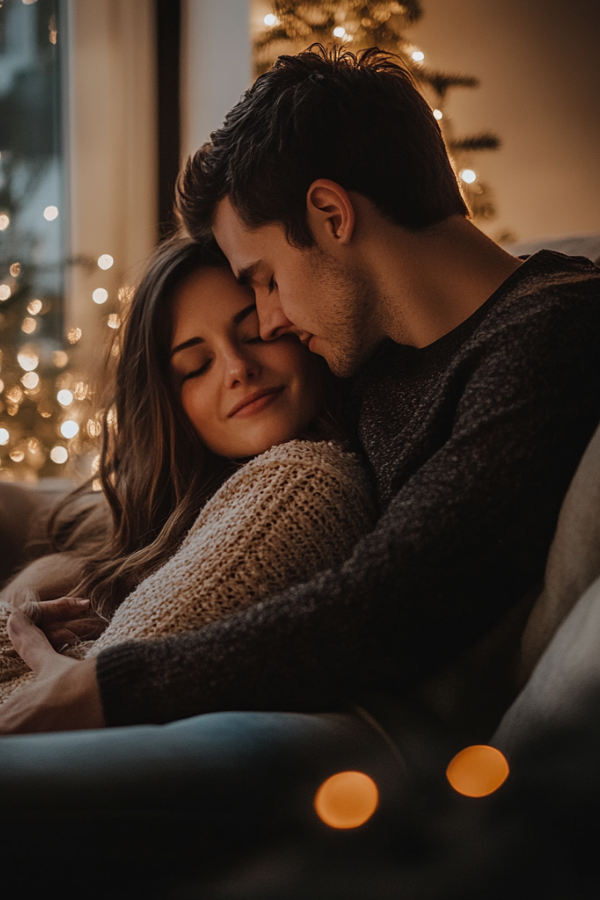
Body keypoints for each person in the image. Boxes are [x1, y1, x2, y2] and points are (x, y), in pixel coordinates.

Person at [1, 43, 600, 742]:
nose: (270, 319)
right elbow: (171, 504)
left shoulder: (552, 334)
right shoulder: (379, 354)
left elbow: (390, 605)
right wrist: (52, 576)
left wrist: (108, 688)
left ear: (331, 214)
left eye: (262, 277)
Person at [0, 235, 373, 705]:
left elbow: (79, 697)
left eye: (256, 333)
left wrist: (10, 622)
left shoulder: (298, 484)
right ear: (171, 409)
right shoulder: (188, 514)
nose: (237, 368)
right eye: (197, 365)